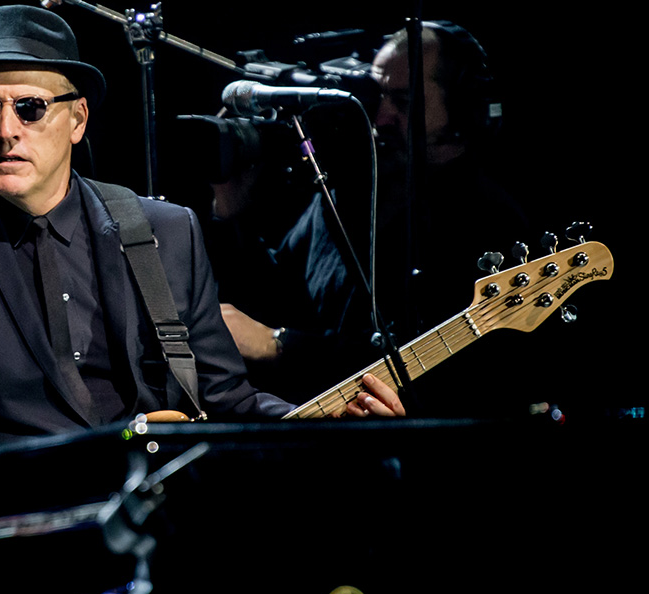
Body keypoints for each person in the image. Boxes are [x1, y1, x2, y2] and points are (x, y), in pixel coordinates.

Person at [0, 5, 403, 471]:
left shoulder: (167, 233)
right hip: (16, 555)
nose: (4, 131)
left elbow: (230, 405)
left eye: (30, 107)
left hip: (158, 538)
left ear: (78, 120)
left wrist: (333, 421)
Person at [218, 22, 530, 408]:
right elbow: (280, 299)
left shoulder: (487, 219)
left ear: (461, 107)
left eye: (402, 101)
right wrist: (237, 214)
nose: (380, 118)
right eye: (378, 95)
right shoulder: (349, 193)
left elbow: (440, 369)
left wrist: (281, 346)